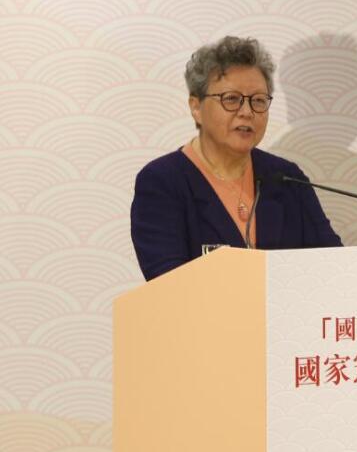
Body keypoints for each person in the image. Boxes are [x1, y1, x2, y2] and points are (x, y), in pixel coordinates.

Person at [131, 36, 342, 281]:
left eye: (258, 100)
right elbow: (168, 282)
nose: (247, 112)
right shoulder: (162, 181)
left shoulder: (286, 177)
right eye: (231, 99)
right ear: (196, 107)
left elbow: (334, 265)